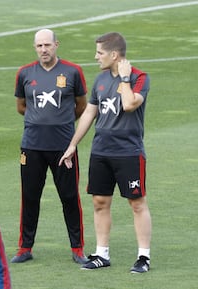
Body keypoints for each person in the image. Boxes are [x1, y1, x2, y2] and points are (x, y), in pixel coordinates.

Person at [59, 32, 152, 273]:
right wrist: (73, 144)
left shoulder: (139, 77)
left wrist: (124, 79)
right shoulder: (100, 80)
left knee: (137, 203)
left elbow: (130, 104)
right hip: (101, 151)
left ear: (114, 54)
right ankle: (102, 253)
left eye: (100, 53)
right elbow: (89, 113)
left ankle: (143, 257)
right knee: (100, 202)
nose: (95, 57)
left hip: (129, 152)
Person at [11, 28, 88, 264]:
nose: (43, 50)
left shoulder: (73, 72)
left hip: (64, 148)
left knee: (69, 196)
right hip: (32, 147)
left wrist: (61, 123)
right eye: (39, 46)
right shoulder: (24, 73)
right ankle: (25, 248)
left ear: (56, 45)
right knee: (30, 196)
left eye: (47, 45)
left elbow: (82, 106)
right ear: (35, 48)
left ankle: (77, 249)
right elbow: (21, 106)